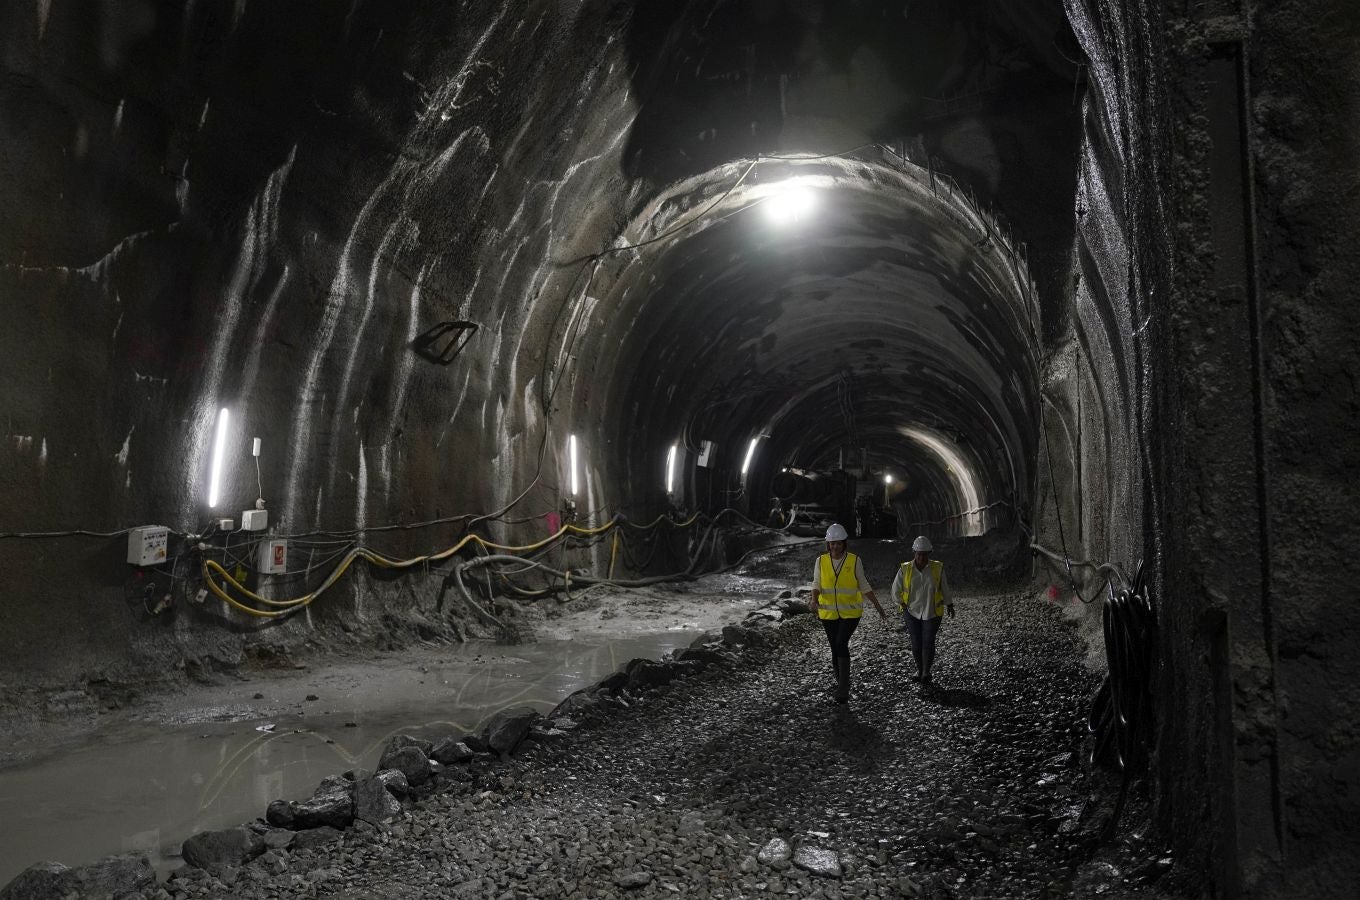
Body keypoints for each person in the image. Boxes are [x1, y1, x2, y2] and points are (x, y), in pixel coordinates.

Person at [808, 523, 888, 703]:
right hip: (828, 614)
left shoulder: (854, 560)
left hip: (851, 613)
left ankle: (844, 686)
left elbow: (864, 585)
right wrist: (813, 599)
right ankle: (840, 681)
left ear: (844, 543)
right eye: (832, 543)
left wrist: (878, 606)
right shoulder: (820, 561)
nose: (835, 546)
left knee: (841, 643)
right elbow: (816, 583)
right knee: (834, 647)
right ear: (828, 544)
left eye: (838, 543)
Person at [891, 535, 955, 684]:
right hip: (911, 612)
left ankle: (926, 671)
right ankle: (919, 669)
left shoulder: (937, 568)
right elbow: (895, 590)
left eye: (924, 554)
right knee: (916, 643)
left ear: (929, 553)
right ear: (914, 552)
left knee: (928, 642)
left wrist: (949, 605)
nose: (921, 557)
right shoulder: (905, 569)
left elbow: (944, 587)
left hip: (932, 611)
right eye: (919, 554)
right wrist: (901, 603)